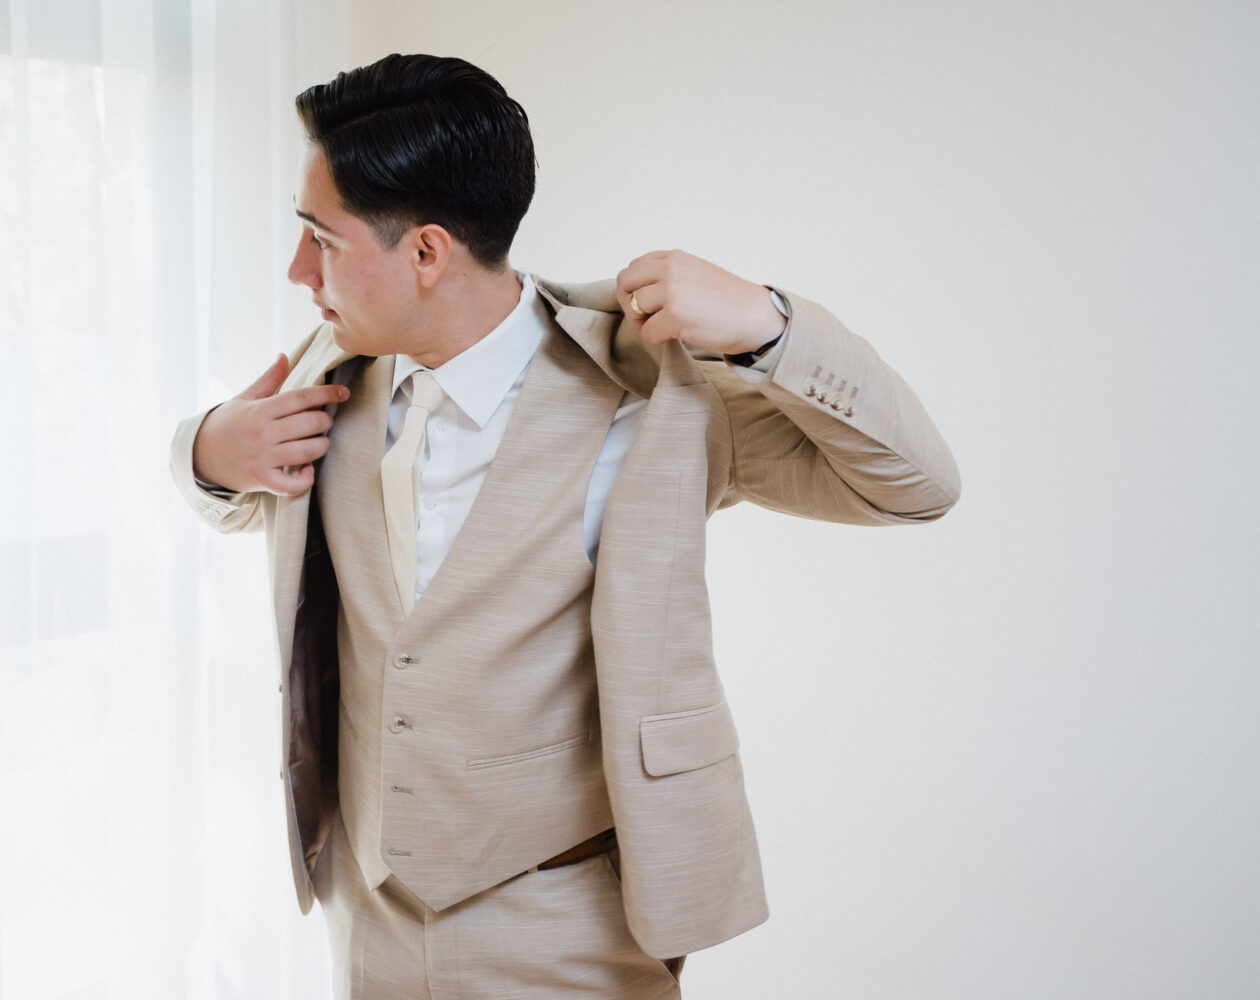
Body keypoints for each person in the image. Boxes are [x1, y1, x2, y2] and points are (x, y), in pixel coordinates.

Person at [170, 52, 959, 1000]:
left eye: (321, 240)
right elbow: (236, 495)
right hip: (366, 918)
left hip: (571, 930)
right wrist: (210, 452)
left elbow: (916, 484)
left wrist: (769, 324)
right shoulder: (326, 367)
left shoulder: (645, 397)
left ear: (425, 252)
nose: (299, 271)